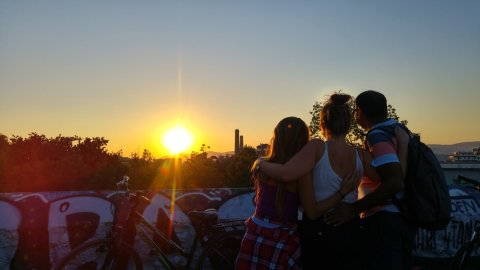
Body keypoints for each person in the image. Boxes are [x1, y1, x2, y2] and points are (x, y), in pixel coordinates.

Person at [257, 93, 377, 270]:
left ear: (322, 123)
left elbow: (311, 211)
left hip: (318, 236)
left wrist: (259, 162)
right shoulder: (361, 156)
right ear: (348, 124)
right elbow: (390, 182)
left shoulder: (316, 148)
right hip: (350, 232)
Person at [235, 116, 357, 270]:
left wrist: (259, 161)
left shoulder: (263, 167)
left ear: (276, 138)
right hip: (282, 237)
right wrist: (342, 192)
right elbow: (313, 211)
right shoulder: (301, 174)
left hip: (255, 232)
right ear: (303, 141)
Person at [325, 90, 413, 270]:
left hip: (384, 220)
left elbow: (395, 182)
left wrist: (353, 209)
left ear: (361, 112)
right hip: (402, 216)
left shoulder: (377, 136)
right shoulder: (399, 131)